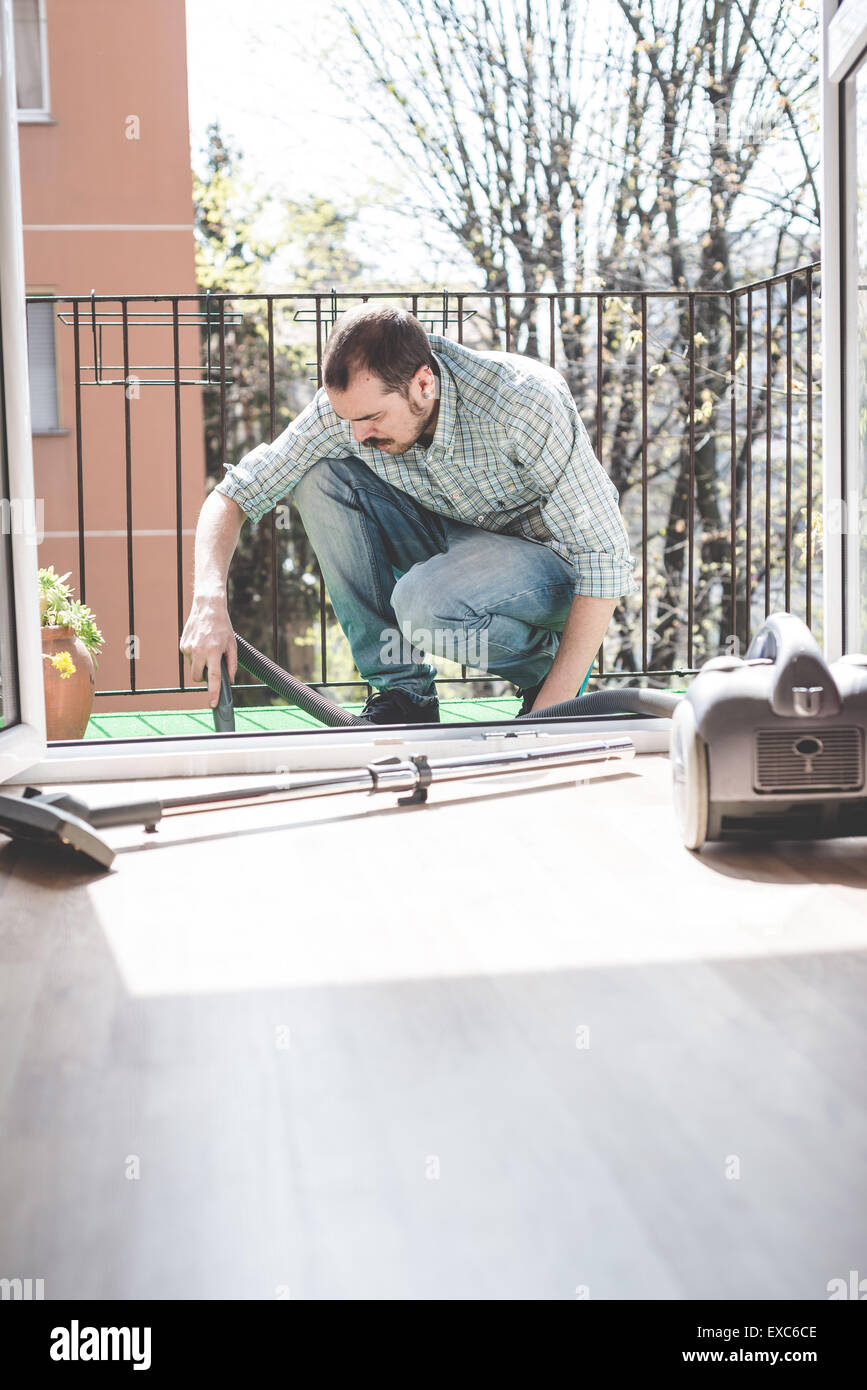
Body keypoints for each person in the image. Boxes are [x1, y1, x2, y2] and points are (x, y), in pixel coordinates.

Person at [180, 304, 639, 724]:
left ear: (423, 383)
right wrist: (208, 603)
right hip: (455, 545)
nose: (358, 434)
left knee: (425, 604)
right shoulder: (346, 415)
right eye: (348, 419)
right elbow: (235, 494)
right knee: (320, 476)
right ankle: (404, 697)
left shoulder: (521, 402)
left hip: (548, 571)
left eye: (373, 417)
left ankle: (543, 669)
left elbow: (605, 556)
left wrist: (550, 712)